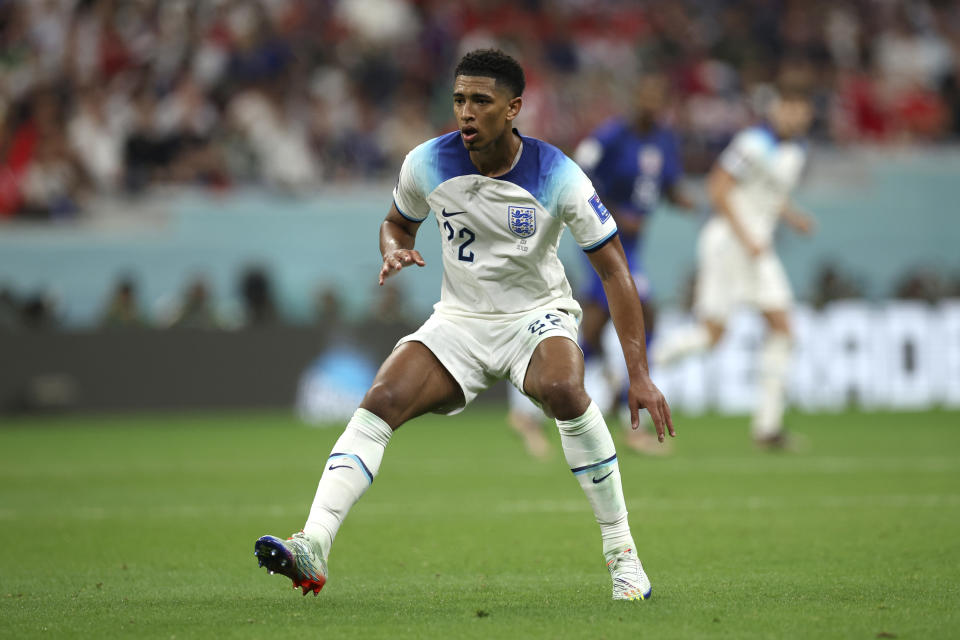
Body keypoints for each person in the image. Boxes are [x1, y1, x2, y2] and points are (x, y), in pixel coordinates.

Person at [254, 49, 674, 602]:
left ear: (514, 107)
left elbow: (616, 270)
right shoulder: (426, 162)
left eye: (481, 100)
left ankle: (624, 558)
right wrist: (394, 250)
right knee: (380, 398)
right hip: (460, 321)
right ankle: (313, 543)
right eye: (458, 100)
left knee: (563, 389)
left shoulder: (557, 174)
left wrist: (638, 374)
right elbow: (396, 224)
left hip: (536, 316)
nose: (466, 112)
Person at [507, 73, 692, 456]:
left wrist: (685, 201)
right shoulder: (610, 137)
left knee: (591, 333)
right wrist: (617, 215)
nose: (651, 103)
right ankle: (631, 418)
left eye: (659, 97)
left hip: (631, 247)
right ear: (636, 97)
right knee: (646, 313)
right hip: (602, 241)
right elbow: (578, 177)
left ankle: (529, 408)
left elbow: (665, 185)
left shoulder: (664, 140)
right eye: (646, 94)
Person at [652, 86, 816, 448]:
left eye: (800, 108)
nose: (794, 115)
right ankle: (644, 367)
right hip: (730, 244)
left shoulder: (796, 150)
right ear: (776, 108)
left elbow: (771, 192)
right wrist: (747, 237)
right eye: (788, 106)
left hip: (758, 249)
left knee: (784, 328)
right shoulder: (753, 144)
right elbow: (718, 188)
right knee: (712, 336)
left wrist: (792, 217)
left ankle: (768, 428)